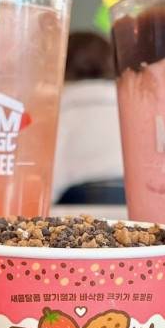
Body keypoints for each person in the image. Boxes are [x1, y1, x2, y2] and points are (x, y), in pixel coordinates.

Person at [52, 32, 124, 204]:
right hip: (131, 207)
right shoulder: (131, 110)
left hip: (72, 209)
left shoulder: (55, 113)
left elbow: (49, 180)